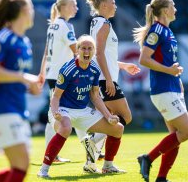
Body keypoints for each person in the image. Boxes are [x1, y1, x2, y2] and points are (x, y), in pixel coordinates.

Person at [37, 35, 126, 178]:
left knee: (118, 128)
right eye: (83, 48)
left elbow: (95, 96)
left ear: (94, 51)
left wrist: (109, 116)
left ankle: (108, 166)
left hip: (83, 111)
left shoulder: (95, 70)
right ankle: (43, 170)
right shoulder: (68, 69)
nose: (86, 51)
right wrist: (55, 113)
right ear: (77, 50)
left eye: (89, 48)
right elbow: (56, 96)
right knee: (65, 128)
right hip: (63, 109)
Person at [0, 0, 42, 182]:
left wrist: (30, 85)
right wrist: (23, 77)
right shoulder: (4, 37)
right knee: (22, 165)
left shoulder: (25, 42)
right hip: (1, 107)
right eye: (30, 7)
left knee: (19, 168)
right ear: (23, 10)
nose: (33, 12)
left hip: (16, 107)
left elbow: (13, 76)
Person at [133, 0, 188, 182]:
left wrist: (177, 78)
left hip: (172, 88)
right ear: (166, 9)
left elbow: (169, 64)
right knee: (187, 132)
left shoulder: (167, 31)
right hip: (163, 90)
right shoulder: (157, 30)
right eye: (173, 5)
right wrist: (169, 70)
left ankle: (161, 178)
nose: (176, 9)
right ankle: (147, 158)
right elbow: (143, 59)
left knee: (175, 137)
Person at [39, 0, 102, 163]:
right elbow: (77, 50)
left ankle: (87, 149)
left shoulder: (53, 25)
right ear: (64, 7)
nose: (77, 8)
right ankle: (83, 149)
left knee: (67, 111)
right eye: (74, 4)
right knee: (65, 112)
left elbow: (46, 51)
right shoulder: (65, 26)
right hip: (63, 75)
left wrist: (41, 72)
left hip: (53, 74)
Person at [84, 0, 140, 169]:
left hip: (101, 78)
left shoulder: (97, 22)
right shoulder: (105, 24)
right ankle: (94, 142)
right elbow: (99, 53)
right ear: (104, 5)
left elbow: (102, 55)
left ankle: (101, 161)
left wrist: (122, 66)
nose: (116, 6)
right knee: (125, 116)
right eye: (113, 2)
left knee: (112, 119)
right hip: (103, 79)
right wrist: (108, 79)